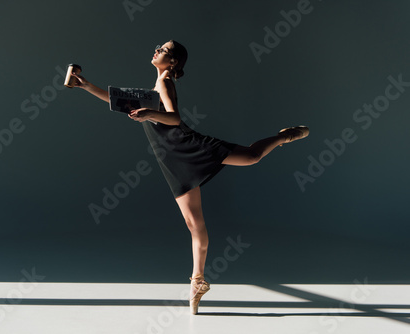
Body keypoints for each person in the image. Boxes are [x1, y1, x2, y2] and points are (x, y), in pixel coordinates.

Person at [70, 40, 309, 315]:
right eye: (159, 46)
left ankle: (284, 136)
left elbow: (174, 118)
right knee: (193, 223)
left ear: (173, 63)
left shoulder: (166, 81)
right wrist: (86, 85)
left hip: (189, 146)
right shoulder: (156, 85)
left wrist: (149, 113)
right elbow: (119, 101)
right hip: (172, 159)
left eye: (164, 50)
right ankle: (198, 281)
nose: (157, 49)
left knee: (252, 157)